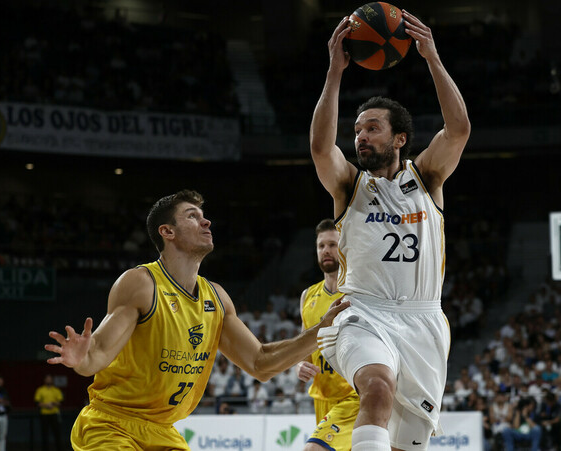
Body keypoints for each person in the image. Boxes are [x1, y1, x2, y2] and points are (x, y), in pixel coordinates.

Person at [44, 190, 349, 450]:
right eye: (192, 216)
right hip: (112, 425)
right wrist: (81, 358)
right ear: (167, 231)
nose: (206, 221)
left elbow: (260, 363)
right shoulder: (141, 283)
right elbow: (96, 354)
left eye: (203, 215)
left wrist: (320, 331)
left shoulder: (216, 298)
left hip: (164, 431)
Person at [309, 9, 470, 451]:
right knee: (376, 387)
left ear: (399, 139)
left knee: (405, 445)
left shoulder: (427, 178)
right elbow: (322, 147)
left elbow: (458, 130)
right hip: (363, 312)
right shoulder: (349, 186)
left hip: (423, 320)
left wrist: (432, 58)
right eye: (358, 129)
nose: (361, 136)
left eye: (373, 128)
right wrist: (334, 73)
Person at [297, 219, 359, 451]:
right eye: (321, 246)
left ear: (344, 249)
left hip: (354, 395)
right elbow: (304, 344)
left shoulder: (358, 293)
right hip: (322, 397)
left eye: (332, 244)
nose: (326, 250)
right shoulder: (307, 296)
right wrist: (299, 365)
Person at [34, 375, 63, 451]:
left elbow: (60, 402)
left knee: (57, 434)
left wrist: (53, 403)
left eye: (50, 379)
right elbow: (37, 403)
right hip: (44, 414)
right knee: (44, 434)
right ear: (45, 380)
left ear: (52, 380)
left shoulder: (56, 390)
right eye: (47, 379)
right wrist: (46, 405)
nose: (49, 380)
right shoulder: (40, 390)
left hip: (54, 414)